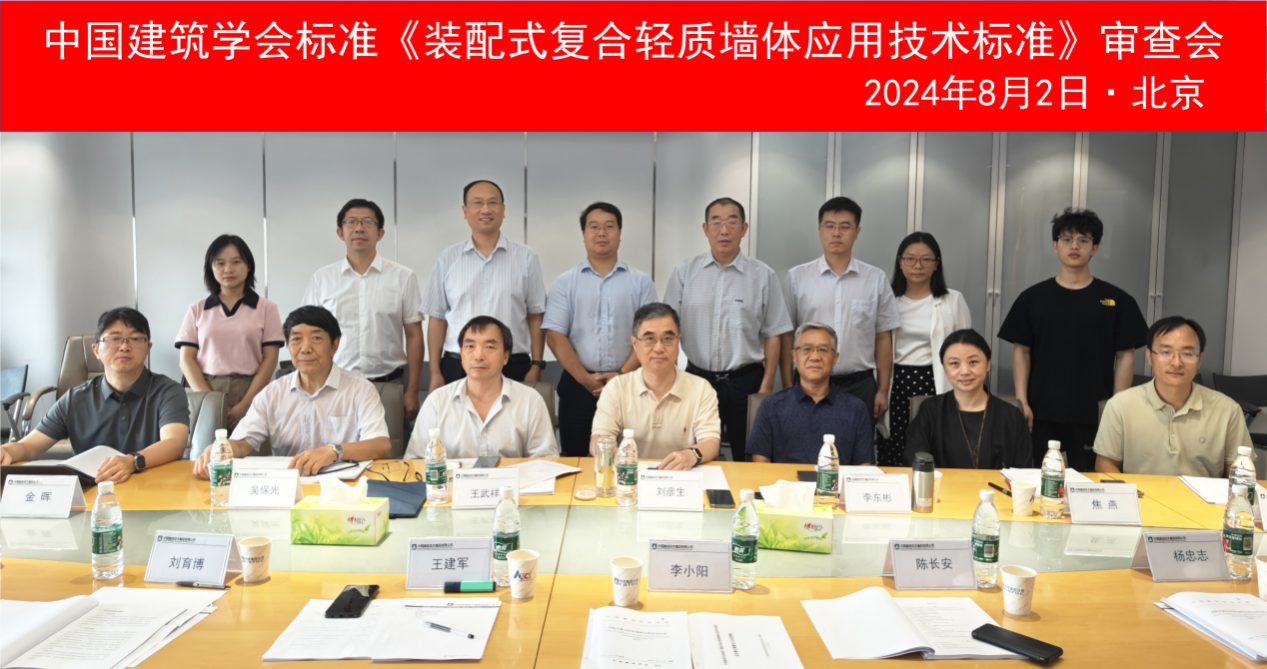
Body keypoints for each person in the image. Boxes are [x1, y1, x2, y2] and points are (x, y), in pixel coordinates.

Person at [998, 208, 1147, 471]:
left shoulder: (1116, 300)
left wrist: (1115, 407)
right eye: (1066, 239)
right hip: (1041, 411)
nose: (1074, 246)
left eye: (1083, 240)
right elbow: (1022, 351)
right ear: (1055, 246)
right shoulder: (1033, 298)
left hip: (1093, 413)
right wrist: (1022, 401)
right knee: (1040, 479)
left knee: (1091, 482)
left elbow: (1125, 355)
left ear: (1095, 248)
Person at [662, 197, 792, 462]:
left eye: (732, 222)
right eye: (716, 223)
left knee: (749, 456)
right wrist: (670, 377)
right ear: (705, 229)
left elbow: (773, 333)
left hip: (746, 382)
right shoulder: (685, 272)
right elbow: (667, 330)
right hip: (696, 380)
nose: (724, 230)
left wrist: (767, 385)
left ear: (744, 229)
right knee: (694, 455)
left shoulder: (763, 276)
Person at [192, 306, 391, 477]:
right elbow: (242, 444)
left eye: (316, 338)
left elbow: (381, 446)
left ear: (334, 345)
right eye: (296, 339)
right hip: (288, 487)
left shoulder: (360, 390)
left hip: (343, 486)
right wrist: (219, 450)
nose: (305, 348)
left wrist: (333, 451)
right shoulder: (272, 394)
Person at [1, 308, 190, 484]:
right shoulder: (74, 399)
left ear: (148, 348)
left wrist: (132, 461)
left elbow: (175, 443)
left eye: (135, 339)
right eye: (114, 339)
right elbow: (28, 447)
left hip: (153, 490)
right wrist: (6, 450)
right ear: (96, 350)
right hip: (94, 493)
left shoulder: (168, 391)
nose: (124, 347)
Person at [544, 202, 658, 457]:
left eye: (609, 227)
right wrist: (585, 379)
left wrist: (622, 374)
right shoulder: (564, 283)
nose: (601, 233)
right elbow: (554, 336)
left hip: (631, 382)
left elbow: (650, 335)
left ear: (620, 233)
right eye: (594, 227)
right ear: (584, 234)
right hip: (577, 384)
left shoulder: (641, 282)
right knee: (576, 459)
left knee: (632, 456)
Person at [782, 196, 900, 439]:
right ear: (819, 230)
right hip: (808, 382)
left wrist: (883, 390)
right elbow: (786, 336)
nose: (836, 233)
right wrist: (786, 385)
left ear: (857, 232)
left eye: (845, 226)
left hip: (860, 386)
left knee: (858, 451)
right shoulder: (797, 277)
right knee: (804, 447)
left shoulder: (875, 279)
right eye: (830, 226)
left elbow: (883, 338)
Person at [302, 198, 424, 422]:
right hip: (333, 384)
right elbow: (307, 333)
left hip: (389, 384)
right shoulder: (322, 279)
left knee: (390, 443)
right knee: (335, 443)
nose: (359, 228)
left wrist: (413, 391)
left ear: (380, 233)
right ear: (340, 233)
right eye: (351, 222)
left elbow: (414, 335)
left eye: (368, 222)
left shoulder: (403, 277)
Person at [422, 180, 547, 390]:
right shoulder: (448, 258)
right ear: (465, 211)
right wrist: (435, 372)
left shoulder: (526, 257)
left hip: (513, 364)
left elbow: (536, 315)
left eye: (493, 203)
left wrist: (536, 365)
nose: (486, 210)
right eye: (477, 203)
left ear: (503, 210)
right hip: (457, 365)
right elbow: (437, 318)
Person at [1094, 316, 1252, 477]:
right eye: (1166, 352)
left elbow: (1240, 473)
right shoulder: (1120, 405)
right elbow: (1105, 464)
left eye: (1188, 354)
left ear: (1200, 359)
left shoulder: (1227, 410)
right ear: (1149, 356)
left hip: (1203, 495)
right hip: (1139, 493)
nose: (1176, 363)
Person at [588, 303, 721, 470]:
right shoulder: (616, 387)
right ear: (635, 343)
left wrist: (689, 456)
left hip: (681, 476)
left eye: (667, 339)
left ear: (678, 341)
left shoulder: (701, 388)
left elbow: (711, 441)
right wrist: (614, 456)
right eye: (650, 339)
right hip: (629, 476)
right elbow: (599, 438)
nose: (659, 348)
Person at [406, 316, 557, 459]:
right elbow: (416, 460)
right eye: (470, 346)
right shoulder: (437, 401)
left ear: (506, 357)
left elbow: (545, 461)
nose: (478, 356)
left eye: (489, 347)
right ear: (461, 355)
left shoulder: (530, 400)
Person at [177, 235, 283, 430]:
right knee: (208, 448)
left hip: (252, 390)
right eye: (220, 263)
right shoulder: (197, 309)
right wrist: (210, 401)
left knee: (253, 447)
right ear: (211, 268)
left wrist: (246, 404)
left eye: (236, 262)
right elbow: (186, 360)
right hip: (207, 388)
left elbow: (270, 360)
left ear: (249, 266)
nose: (228, 269)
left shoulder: (267, 308)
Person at [884, 232, 972, 466]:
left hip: (935, 380)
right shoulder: (888, 300)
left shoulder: (953, 299)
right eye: (910, 259)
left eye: (926, 259)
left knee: (935, 443)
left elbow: (966, 348)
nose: (917, 266)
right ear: (900, 262)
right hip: (897, 382)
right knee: (896, 444)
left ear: (936, 264)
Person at [904, 329, 1033, 469]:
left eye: (973, 362)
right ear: (944, 367)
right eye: (954, 363)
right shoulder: (930, 410)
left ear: (988, 363)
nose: (965, 371)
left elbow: (1023, 471)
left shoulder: (1012, 416)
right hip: (941, 484)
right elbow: (914, 462)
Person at [748, 323, 873, 465]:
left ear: (835, 358)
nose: (815, 356)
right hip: (784, 480)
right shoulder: (771, 406)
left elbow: (864, 467)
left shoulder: (856, 409)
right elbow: (759, 465)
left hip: (836, 480)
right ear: (794, 356)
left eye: (823, 350)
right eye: (807, 349)